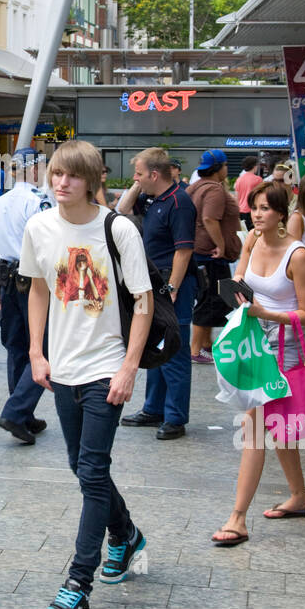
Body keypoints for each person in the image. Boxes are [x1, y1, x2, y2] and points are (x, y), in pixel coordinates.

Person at [21, 140, 153, 608]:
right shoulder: (38, 226)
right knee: (82, 468)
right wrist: (36, 353)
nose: (62, 183)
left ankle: (79, 582)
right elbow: (38, 290)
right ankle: (127, 533)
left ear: (92, 180)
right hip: (62, 368)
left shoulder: (118, 230)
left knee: (93, 471)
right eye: (57, 173)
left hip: (106, 367)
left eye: (73, 176)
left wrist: (129, 366)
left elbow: (143, 300)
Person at [211, 180, 305, 548]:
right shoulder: (253, 240)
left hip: (283, 347)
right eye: (254, 207)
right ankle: (299, 496)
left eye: (266, 209)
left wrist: (265, 311)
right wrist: (235, 290)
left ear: (281, 214)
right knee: (275, 425)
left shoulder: (298, 255)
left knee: (255, 427)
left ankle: (237, 518)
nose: (258, 214)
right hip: (253, 342)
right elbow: (240, 277)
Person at [117, 147, 195, 441]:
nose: (134, 179)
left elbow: (184, 249)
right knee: (155, 345)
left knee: (174, 349)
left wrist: (172, 287)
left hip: (171, 284)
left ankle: (175, 417)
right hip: (153, 281)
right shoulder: (152, 198)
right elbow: (122, 209)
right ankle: (154, 408)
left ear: (154, 174)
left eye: (138, 173)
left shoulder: (180, 201)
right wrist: (139, 184)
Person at [0, 148, 53, 444]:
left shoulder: (0, 202)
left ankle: (23, 414)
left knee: (16, 347)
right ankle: (16, 410)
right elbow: (49, 245)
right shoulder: (39, 201)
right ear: (35, 171)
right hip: (35, 281)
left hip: (7, 278)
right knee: (44, 346)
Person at [188, 149, 240, 364]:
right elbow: (210, 218)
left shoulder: (193, 188)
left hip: (201, 253)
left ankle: (207, 344)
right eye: (226, 166)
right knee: (211, 300)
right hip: (213, 256)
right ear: (219, 168)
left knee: (214, 299)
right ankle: (196, 348)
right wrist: (220, 245)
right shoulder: (214, 190)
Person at [235, 155, 263, 231]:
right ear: (254, 166)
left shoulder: (239, 179)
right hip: (252, 210)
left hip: (241, 211)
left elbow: (237, 197)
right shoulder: (258, 179)